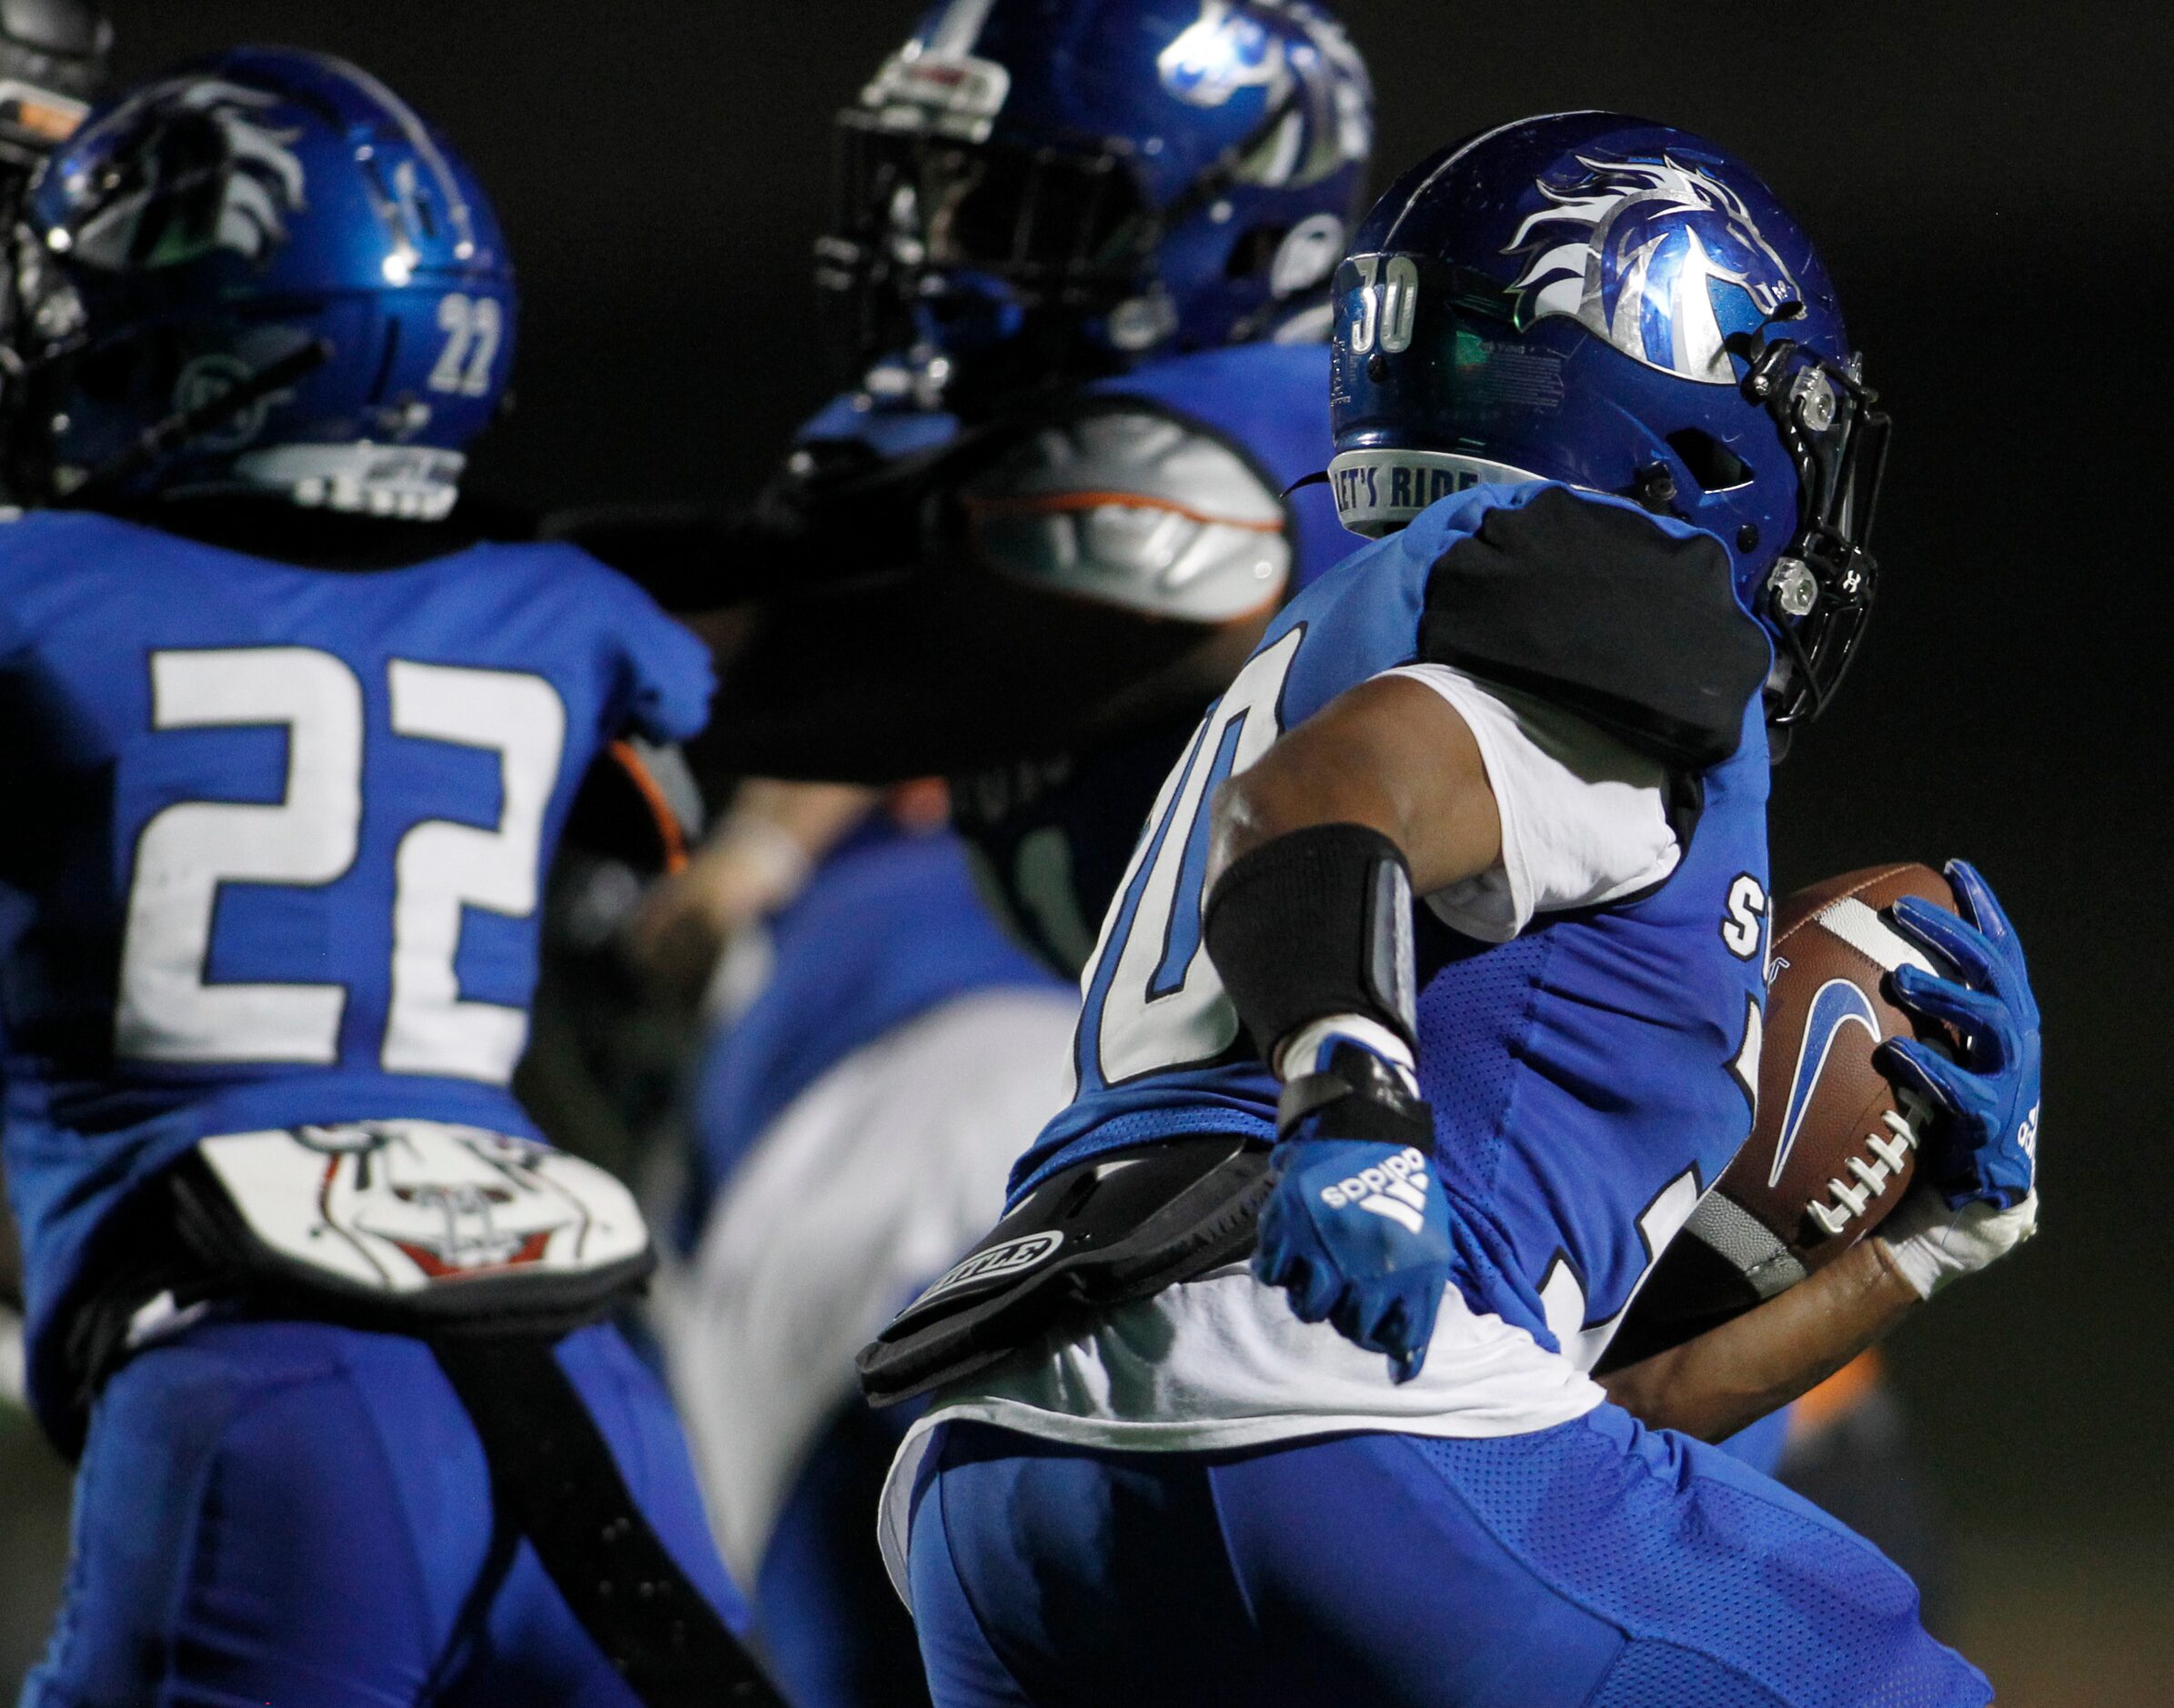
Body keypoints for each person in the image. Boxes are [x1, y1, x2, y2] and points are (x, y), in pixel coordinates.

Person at [864, 113, 2041, 1707]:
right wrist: (1355, 1094)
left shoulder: (1353, 621)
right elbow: (1321, 800)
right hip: (1312, 1416)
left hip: (1004, 1490)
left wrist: (1922, 1249)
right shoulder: (1601, 574)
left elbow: (1576, 1410)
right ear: (1680, 412)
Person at [0, 49, 769, 1706]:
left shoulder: (35, 590)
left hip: (252, 1375)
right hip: (597, 1389)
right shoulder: (567, 606)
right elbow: (660, 793)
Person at [659, 782, 1074, 1708]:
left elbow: (868, 731)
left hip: (936, 1168)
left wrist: (751, 854)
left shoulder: (932, 846)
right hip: (943, 1179)